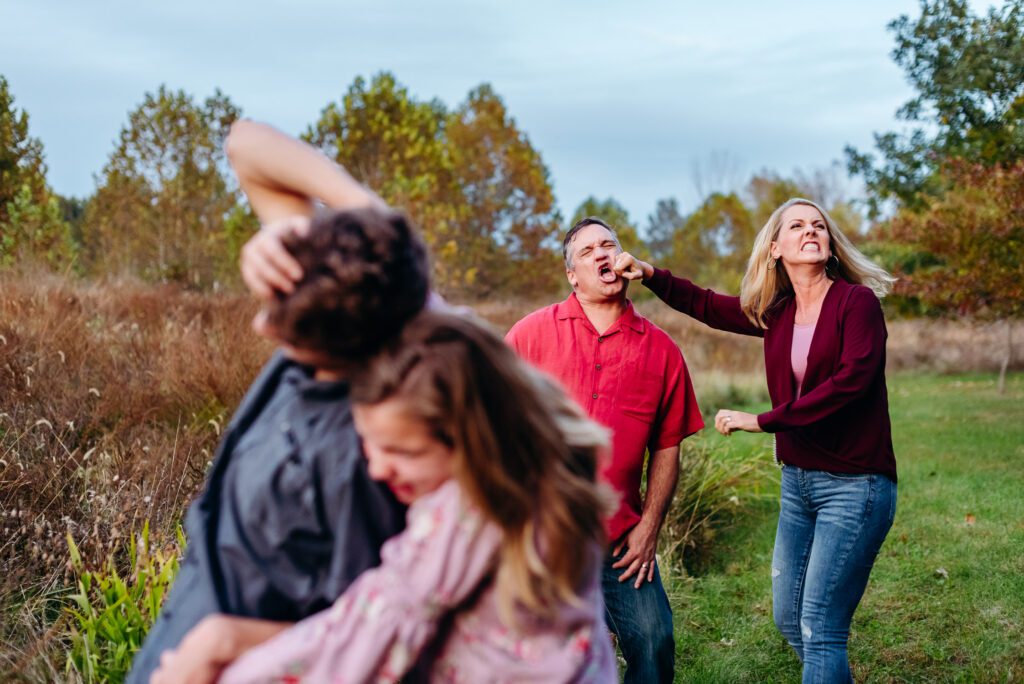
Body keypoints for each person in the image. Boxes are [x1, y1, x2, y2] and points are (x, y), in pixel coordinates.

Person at [151, 310, 618, 683]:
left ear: (469, 438)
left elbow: (360, 642)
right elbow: (424, 308)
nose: (377, 467)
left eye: (403, 451)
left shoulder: (472, 513)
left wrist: (220, 654)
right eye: (369, 444)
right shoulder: (537, 468)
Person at [126, 120, 429, 684]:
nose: (261, 323)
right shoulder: (347, 294)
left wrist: (221, 647)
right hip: (175, 640)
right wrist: (372, 221)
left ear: (339, 333)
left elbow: (364, 636)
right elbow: (245, 143)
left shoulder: (368, 450)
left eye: (281, 317)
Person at [615, 197, 898, 683]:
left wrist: (763, 421)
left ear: (828, 244)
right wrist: (650, 273)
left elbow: (850, 384)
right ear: (775, 248)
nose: (810, 231)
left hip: (856, 485)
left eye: (818, 226)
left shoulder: (857, 303)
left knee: (820, 627)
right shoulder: (778, 312)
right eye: (796, 226)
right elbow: (706, 305)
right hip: (799, 485)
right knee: (791, 620)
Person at [505, 217, 704, 684]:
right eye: (588, 250)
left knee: (654, 644)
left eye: (608, 245)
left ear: (623, 261)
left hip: (622, 542)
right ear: (573, 274)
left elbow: (668, 448)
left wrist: (650, 528)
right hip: (542, 537)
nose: (601, 253)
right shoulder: (529, 336)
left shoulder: (661, 350)